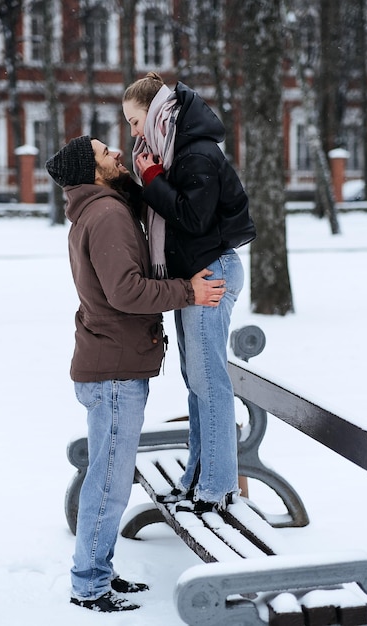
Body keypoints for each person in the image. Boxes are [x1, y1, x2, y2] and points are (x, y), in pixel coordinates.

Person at [45, 135, 225, 613]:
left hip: (110, 364)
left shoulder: (101, 208)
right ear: (92, 171)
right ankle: (89, 585)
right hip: (114, 373)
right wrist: (188, 291)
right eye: (106, 154)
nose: (116, 154)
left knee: (108, 478)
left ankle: (97, 572)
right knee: (108, 483)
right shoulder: (105, 216)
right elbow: (125, 292)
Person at [122, 72, 256, 515]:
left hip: (210, 273)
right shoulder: (175, 149)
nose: (133, 132)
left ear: (157, 111)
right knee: (196, 383)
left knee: (209, 382)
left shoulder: (196, 153)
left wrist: (152, 179)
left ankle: (215, 488)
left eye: (135, 120)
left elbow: (193, 219)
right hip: (194, 278)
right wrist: (150, 178)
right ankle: (199, 476)